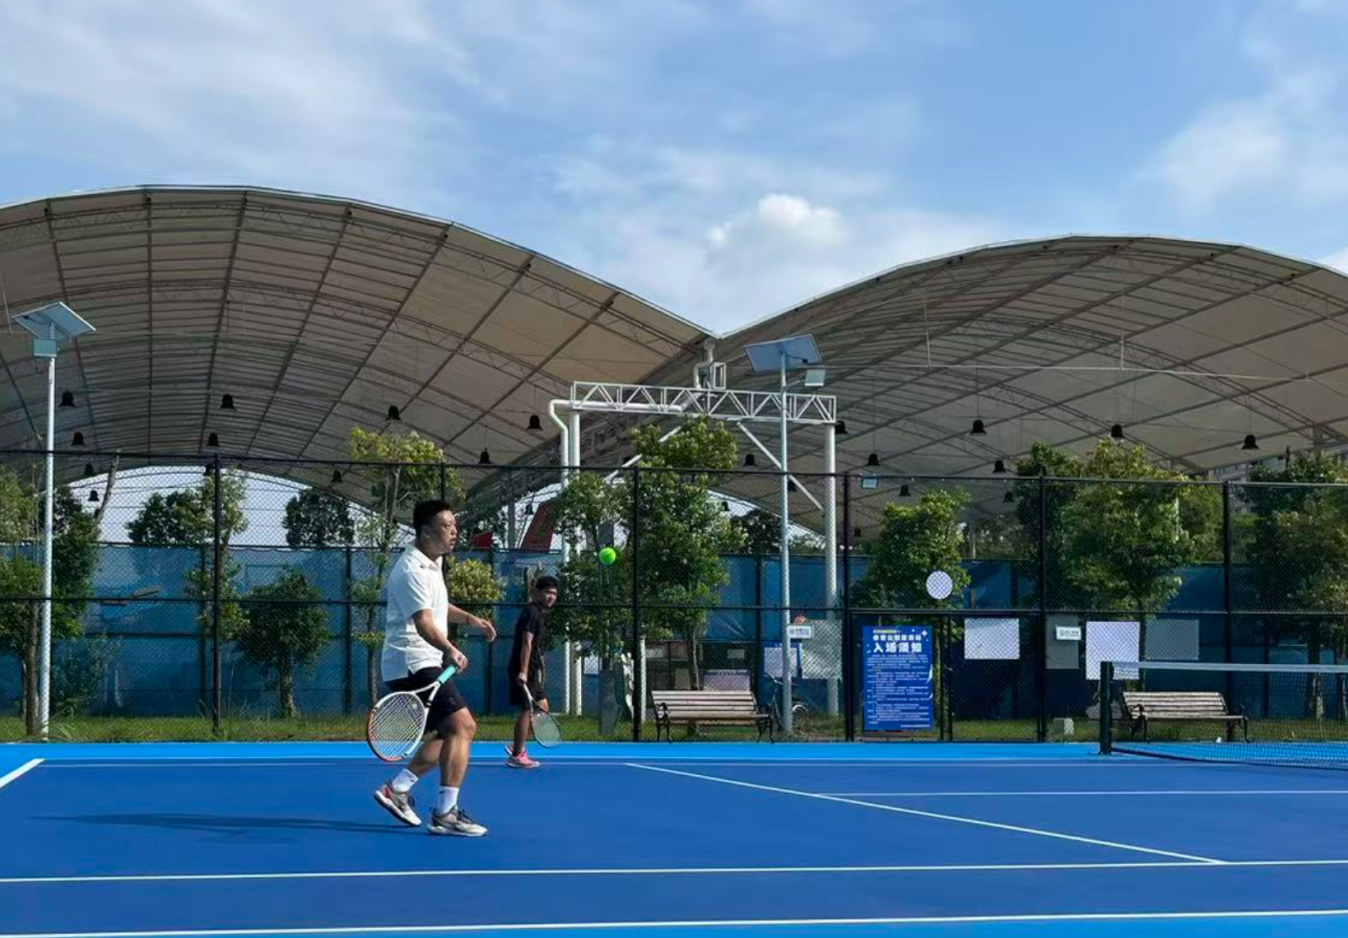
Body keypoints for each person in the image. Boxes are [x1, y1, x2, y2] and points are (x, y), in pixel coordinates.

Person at [372, 499, 497, 836]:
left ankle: (397, 789)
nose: (454, 532)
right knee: (463, 726)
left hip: (421, 661)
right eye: (447, 526)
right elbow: (424, 622)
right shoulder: (411, 569)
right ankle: (445, 814)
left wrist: (470, 619)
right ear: (426, 532)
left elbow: (437, 606)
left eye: (455, 525)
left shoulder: (433, 561)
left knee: (450, 733)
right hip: (412, 661)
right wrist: (451, 649)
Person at [505, 575, 558, 768]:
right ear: (536, 593)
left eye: (554, 594)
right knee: (527, 710)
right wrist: (523, 671)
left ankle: (516, 745)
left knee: (542, 707)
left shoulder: (537, 613)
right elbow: (526, 642)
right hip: (524, 669)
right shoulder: (533, 612)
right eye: (548, 592)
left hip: (531, 669)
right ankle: (517, 755)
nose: (551, 597)